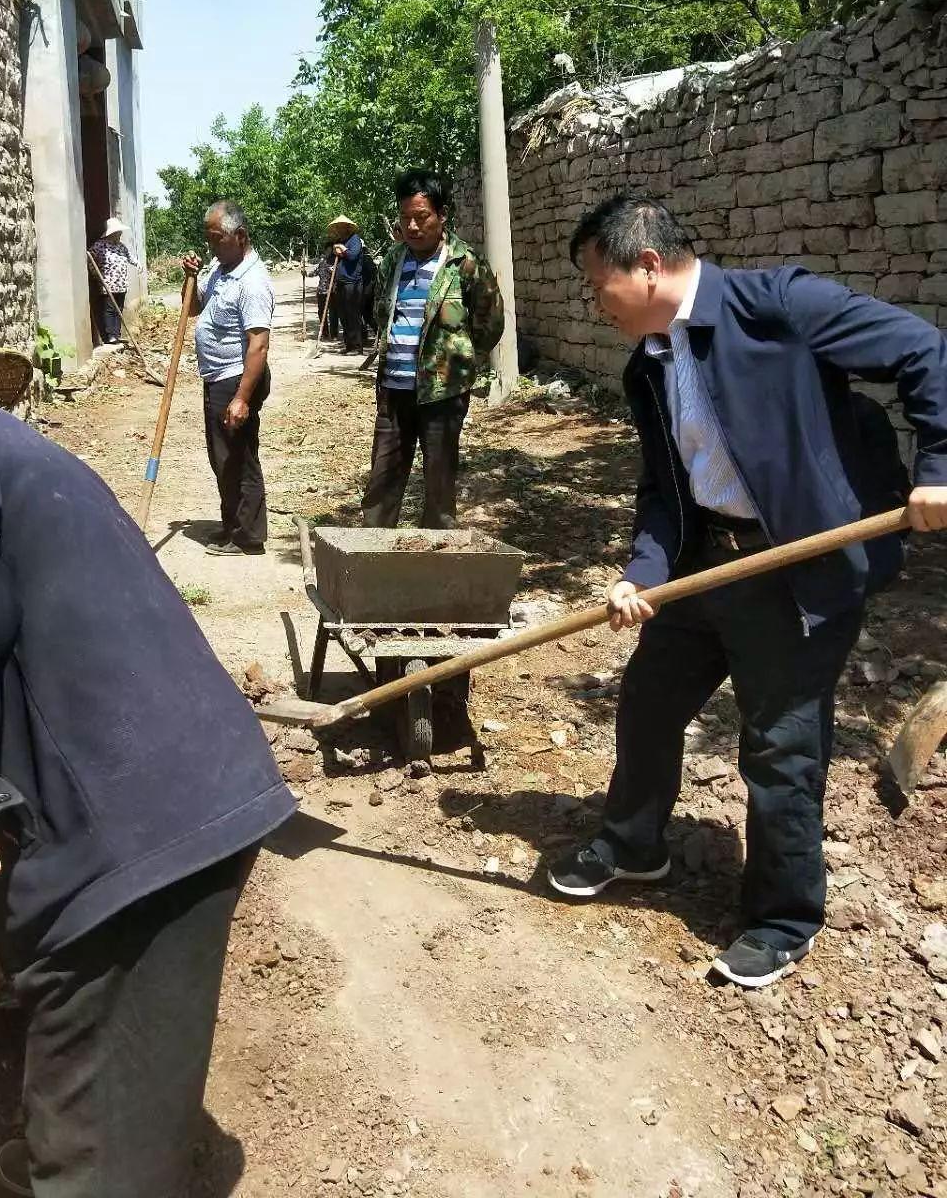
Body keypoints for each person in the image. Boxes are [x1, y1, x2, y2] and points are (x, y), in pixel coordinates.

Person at [0, 307, 296, 1196]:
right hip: (160, 792)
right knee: (88, 1049)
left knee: (102, 1152)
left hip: (140, 832)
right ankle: (81, 1145)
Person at [546, 195, 947, 988]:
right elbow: (666, 487)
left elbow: (924, 350)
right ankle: (634, 844)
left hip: (798, 573)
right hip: (707, 566)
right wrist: (645, 573)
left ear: (649, 265)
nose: (595, 304)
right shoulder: (649, 366)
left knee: (780, 748)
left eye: (599, 285)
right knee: (650, 700)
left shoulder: (780, 307)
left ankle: (784, 917)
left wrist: (940, 469)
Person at [361, 169, 505, 529]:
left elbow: (491, 322)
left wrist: (459, 363)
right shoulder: (393, 261)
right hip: (394, 389)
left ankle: (436, 560)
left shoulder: (466, 264)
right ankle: (371, 560)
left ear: (442, 215)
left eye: (421, 217)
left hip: (442, 393)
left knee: (439, 484)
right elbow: (381, 311)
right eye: (405, 217)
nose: (411, 226)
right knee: (383, 479)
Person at [182, 200, 274, 557]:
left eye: (216, 239)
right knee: (222, 456)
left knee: (239, 456)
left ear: (240, 236)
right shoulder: (222, 270)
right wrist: (190, 278)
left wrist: (241, 398)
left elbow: (258, 345)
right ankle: (232, 522)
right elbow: (193, 308)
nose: (211, 246)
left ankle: (248, 535)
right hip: (217, 377)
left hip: (236, 379)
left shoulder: (252, 281)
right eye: (208, 239)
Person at [87, 217, 137, 345]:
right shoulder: (100, 245)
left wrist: (138, 264)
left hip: (122, 284)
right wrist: (95, 274)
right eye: (118, 232)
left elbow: (130, 257)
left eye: (120, 232)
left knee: (118, 309)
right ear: (112, 233)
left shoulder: (121, 246)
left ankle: (116, 334)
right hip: (108, 284)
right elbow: (90, 259)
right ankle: (110, 336)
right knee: (109, 309)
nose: (120, 235)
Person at [328, 213, 365, 354]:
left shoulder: (355, 240)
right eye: (337, 227)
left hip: (353, 282)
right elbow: (332, 258)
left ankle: (357, 346)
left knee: (352, 314)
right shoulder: (340, 241)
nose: (339, 229)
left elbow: (352, 255)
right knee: (343, 314)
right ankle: (348, 344)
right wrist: (336, 250)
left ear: (347, 227)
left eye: (341, 226)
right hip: (341, 282)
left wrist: (342, 250)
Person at [313, 242, 339, 341]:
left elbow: (340, 276)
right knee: (321, 312)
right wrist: (305, 273)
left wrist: (335, 271)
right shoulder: (322, 262)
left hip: (332, 292)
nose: (328, 252)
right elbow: (314, 272)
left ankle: (334, 334)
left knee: (333, 313)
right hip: (321, 291)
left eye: (330, 250)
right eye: (327, 250)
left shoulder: (337, 262)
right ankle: (325, 333)